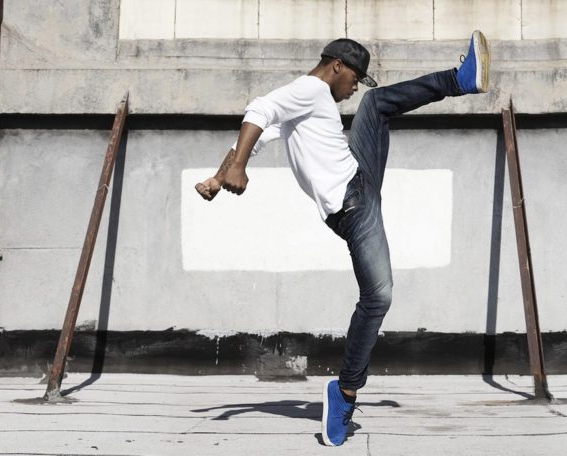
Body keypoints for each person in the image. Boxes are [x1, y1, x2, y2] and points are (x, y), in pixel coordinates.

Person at [196, 31, 491, 446]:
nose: (352, 88)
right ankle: (345, 392)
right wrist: (238, 167)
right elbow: (259, 110)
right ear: (337, 67)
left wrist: (219, 175)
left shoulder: (305, 103)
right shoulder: (311, 90)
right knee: (379, 297)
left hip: (358, 180)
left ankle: (460, 79)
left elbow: (257, 133)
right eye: (354, 79)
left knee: (376, 103)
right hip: (353, 205)